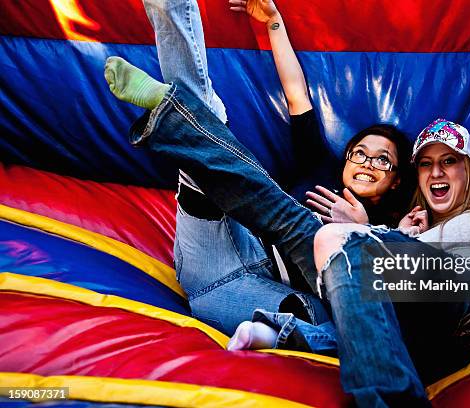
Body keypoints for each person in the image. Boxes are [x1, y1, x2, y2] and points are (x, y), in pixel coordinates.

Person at [105, 0, 414, 354]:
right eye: (360, 152)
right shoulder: (320, 167)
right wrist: (274, 21)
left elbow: (389, 301)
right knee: (207, 137)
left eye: (382, 160)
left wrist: (362, 230)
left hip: (253, 299)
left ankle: (274, 333)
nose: (368, 163)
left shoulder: (388, 230)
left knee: (335, 324)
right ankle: (170, 12)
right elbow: (296, 93)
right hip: (223, 240)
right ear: (345, 158)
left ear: (397, 181)